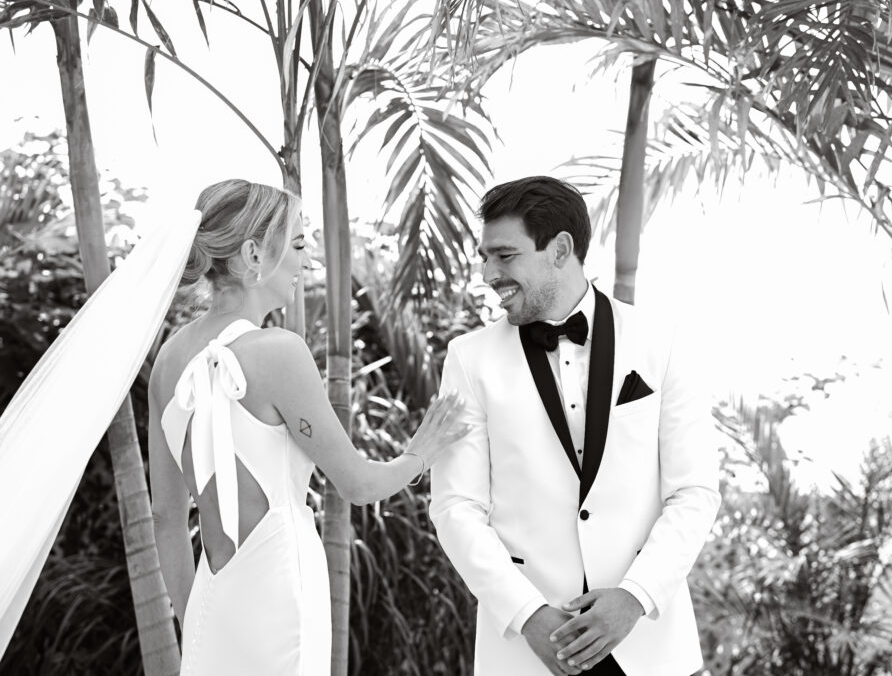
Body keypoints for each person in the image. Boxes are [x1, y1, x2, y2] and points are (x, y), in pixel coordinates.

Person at [148, 179, 467, 676]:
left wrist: (198, 624)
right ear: (254, 254)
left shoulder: (168, 361)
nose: (308, 261)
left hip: (212, 603)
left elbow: (167, 518)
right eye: (298, 244)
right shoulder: (278, 351)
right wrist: (422, 451)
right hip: (282, 596)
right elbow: (359, 485)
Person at [429, 176, 721, 676]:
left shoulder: (661, 342)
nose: (488, 273)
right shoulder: (468, 358)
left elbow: (694, 491)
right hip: (527, 652)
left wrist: (635, 596)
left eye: (504, 255)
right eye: (484, 257)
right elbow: (456, 507)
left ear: (560, 249)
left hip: (649, 647)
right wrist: (527, 614)